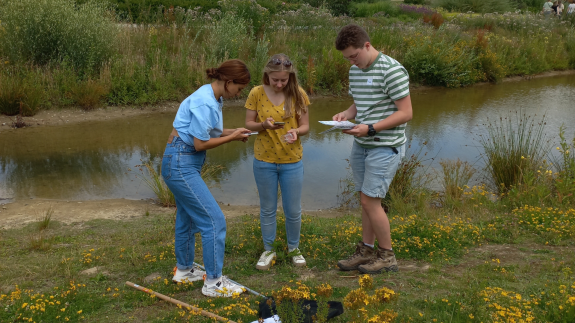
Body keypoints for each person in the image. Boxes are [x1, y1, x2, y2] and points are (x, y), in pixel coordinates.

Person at [162, 59, 252, 297]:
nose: (238, 94)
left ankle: (184, 270)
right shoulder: (205, 102)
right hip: (181, 164)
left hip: (178, 161)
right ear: (229, 82)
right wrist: (232, 138)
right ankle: (213, 284)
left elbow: (206, 131)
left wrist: (233, 131)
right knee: (214, 221)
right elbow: (200, 143)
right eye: (239, 89)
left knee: (188, 218)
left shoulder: (212, 97)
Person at [332, 24, 412, 274]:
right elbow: (360, 101)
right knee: (366, 200)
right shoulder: (355, 71)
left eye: (354, 56)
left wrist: (371, 128)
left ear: (367, 45)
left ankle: (387, 257)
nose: (352, 62)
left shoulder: (392, 70)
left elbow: (406, 113)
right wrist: (347, 113)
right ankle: (366, 251)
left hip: (385, 145)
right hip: (363, 143)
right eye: (347, 58)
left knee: (370, 200)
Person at [244, 53, 310, 271]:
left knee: (293, 210)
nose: (280, 84)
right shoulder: (256, 93)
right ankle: (268, 250)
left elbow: (306, 127)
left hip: (292, 161)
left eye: (284, 80)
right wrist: (264, 125)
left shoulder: (298, 94)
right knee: (268, 209)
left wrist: (296, 132)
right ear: (267, 76)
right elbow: (248, 124)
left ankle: (294, 249)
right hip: (264, 160)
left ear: (290, 77)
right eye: (275, 80)